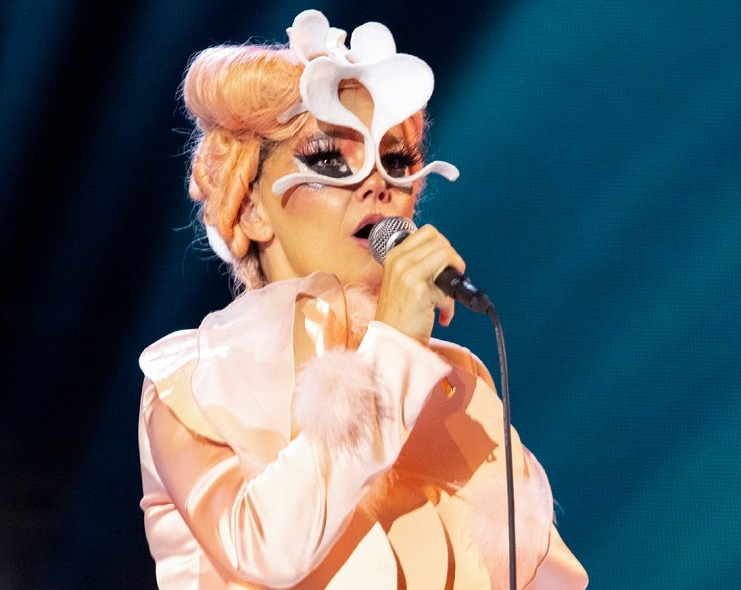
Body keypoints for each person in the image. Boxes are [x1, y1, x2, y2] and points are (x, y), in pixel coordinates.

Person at [137, 9, 588, 589]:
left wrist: (401, 353)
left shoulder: (454, 387)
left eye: (395, 161)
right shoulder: (194, 379)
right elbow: (268, 550)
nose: (377, 184)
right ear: (250, 208)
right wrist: (393, 347)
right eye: (329, 159)